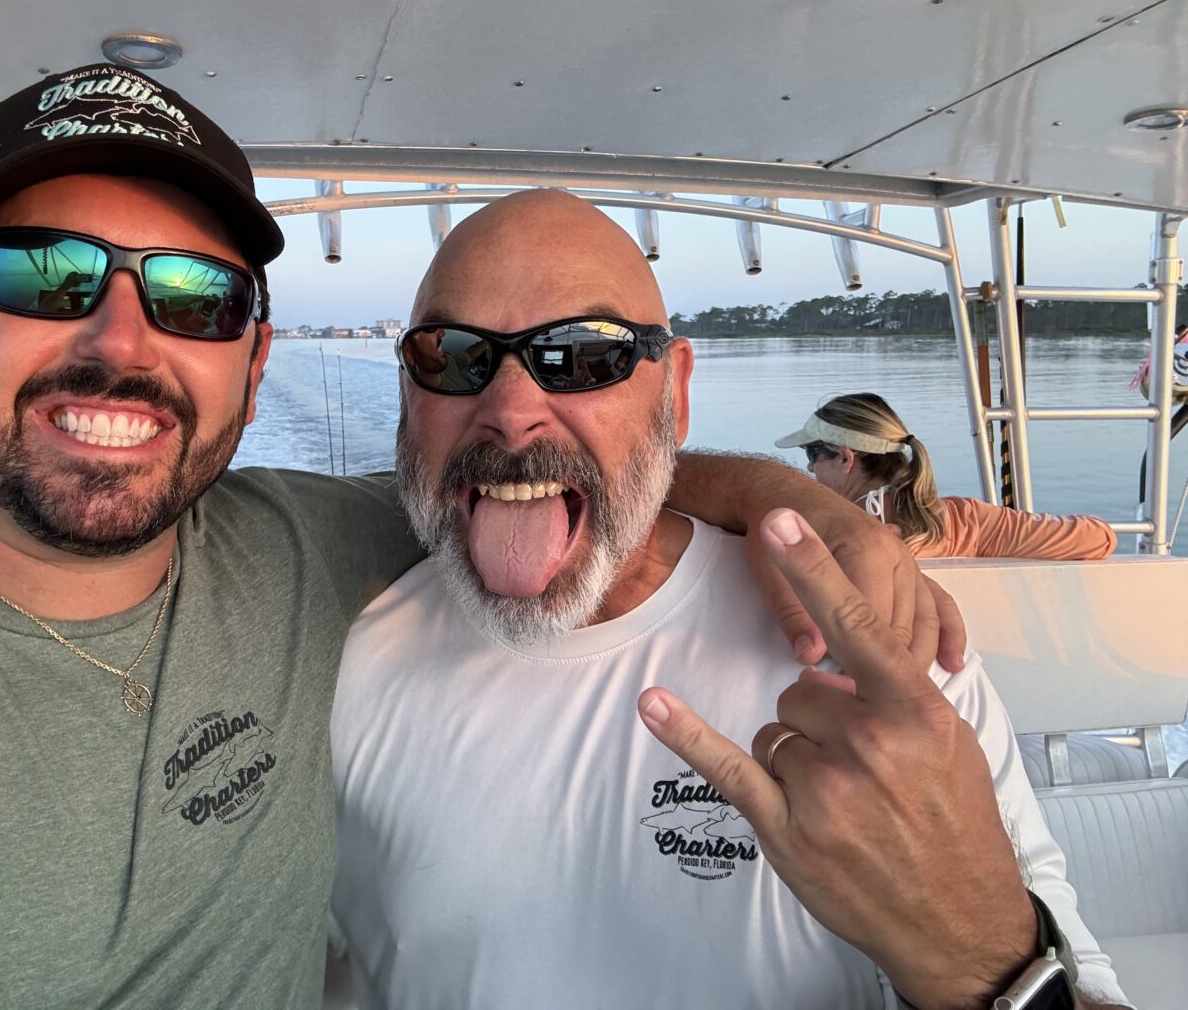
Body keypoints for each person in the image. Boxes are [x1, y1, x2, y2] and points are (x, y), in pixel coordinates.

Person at [0, 65, 945, 1008]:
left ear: (254, 359)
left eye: (195, 297)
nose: (119, 340)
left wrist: (801, 507)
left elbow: (539, 472)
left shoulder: (304, 548)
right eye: (41, 276)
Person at [328, 191, 1127, 1008]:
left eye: (584, 355)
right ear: (408, 391)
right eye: (452, 356)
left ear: (674, 392)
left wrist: (980, 958)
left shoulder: (878, 656)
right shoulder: (331, 664)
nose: (510, 412)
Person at [776, 393, 1118, 559]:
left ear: (845, 458)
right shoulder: (966, 522)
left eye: (812, 454)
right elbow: (1099, 538)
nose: (810, 468)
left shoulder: (818, 532)